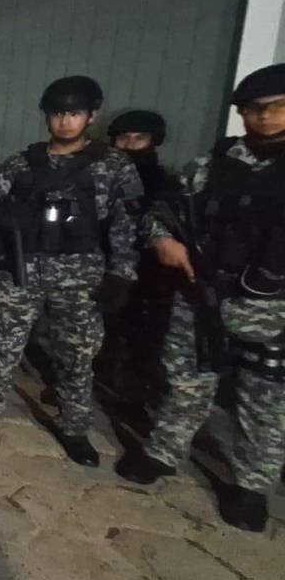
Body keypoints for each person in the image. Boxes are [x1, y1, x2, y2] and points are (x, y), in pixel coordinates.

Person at [116, 64, 285, 533]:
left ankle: (252, 485)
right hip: (204, 293)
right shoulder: (213, 166)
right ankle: (164, 453)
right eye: (257, 109)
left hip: (275, 310)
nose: (268, 118)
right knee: (187, 382)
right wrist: (164, 242)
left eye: (279, 108)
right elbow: (161, 213)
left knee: (266, 402)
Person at [0, 76, 143, 467]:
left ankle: (74, 426)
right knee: (3, 344)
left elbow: (126, 224)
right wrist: (9, 217)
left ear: (91, 116)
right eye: (57, 113)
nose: (64, 122)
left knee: (77, 355)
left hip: (80, 274)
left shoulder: (112, 165)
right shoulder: (23, 163)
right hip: (23, 268)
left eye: (74, 113)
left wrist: (121, 274)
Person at [99, 110, 180, 405]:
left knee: (141, 338)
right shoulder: (101, 176)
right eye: (124, 138)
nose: (131, 145)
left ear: (153, 141)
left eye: (139, 138)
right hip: (102, 263)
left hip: (148, 272)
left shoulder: (165, 182)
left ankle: (132, 396)